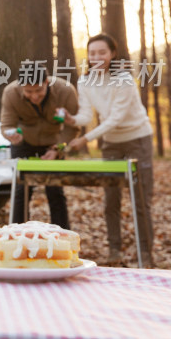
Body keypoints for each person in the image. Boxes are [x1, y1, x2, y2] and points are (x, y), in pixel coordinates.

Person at [62, 33, 154, 266]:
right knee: (110, 199)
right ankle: (115, 250)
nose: (97, 57)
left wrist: (87, 140)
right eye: (92, 53)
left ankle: (146, 254)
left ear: (112, 54)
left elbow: (115, 118)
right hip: (111, 143)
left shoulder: (123, 79)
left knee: (141, 200)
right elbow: (85, 115)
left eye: (102, 52)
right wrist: (72, 120)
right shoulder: (85, 81)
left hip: (137, 139)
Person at [0, 65, 79, 229]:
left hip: (54, 142)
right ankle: (17, 236)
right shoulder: (10, 93)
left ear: (47, 82)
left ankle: (62, 236)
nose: (34, 96)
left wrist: (57, 149)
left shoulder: (65, 91)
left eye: (38, 90)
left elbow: (73, 127)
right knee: (21, 191)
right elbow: (6, 125)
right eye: (28, 92)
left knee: (55, 191)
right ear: (20, 86)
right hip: (23, 143)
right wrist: (12, 136)